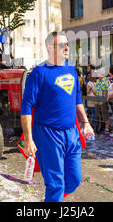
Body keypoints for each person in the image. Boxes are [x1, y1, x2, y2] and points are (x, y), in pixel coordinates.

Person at [20, 32, 94, 202]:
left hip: (71, 133)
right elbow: (26, 106)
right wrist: (28, 139)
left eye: (67, 44)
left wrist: (86, 122)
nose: (67, 47)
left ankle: (52, 200)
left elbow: (76, 99)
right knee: (55, 184)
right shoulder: (39, 73)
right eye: (62, 45)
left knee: (74, 179)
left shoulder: (71, 69)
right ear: (50, 48)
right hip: (48, 134)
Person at [94, 68, 110, 134]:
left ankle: (106, 129)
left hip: (103, 101)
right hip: (97, 101)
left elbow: (108, 91)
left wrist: (106, 99)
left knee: (105, 116)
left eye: (98, 73)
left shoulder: (106, 81)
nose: (97, 74)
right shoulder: (97, 81)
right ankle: (99, 128)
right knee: (97, 115)